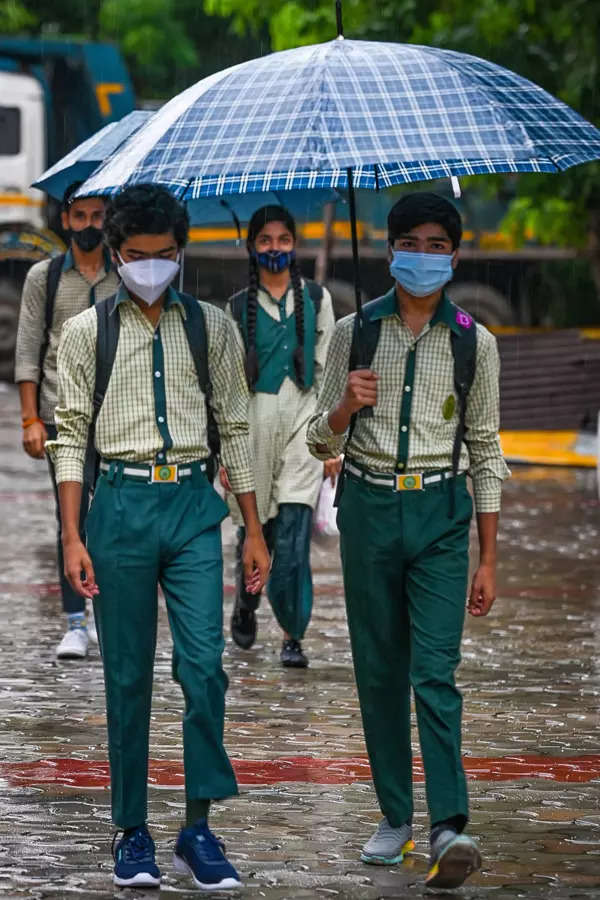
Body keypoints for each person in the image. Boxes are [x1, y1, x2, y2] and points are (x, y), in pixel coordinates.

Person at [47, 184, 270, 891]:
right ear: (115, 254)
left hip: (193, 509)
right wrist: (72, 536)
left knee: (204, 669)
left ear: (183, 251)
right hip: (117, 508)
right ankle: (131, 831)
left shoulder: (210, 328)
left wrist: (256, 532)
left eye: (165, 255)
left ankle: (198, 829)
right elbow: (70, 434)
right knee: (127, 676)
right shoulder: (89, 331)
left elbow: (235, 426)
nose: (151, 267)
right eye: (137, 256)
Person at [307, 192, 510, 889]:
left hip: (443, 516)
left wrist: (489, 556)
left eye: (435, 244)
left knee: (435, 670)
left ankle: (449, 822)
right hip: (367, 506)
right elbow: (315, 436)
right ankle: (395, 815)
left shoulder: (473, 343)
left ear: (454, 255)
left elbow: (485, 450)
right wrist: (345, 405)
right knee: (381, 669)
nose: (421, 257)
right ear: (389, 249)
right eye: (409, 243)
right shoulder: (352, 335)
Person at [220, 205, 338, 668]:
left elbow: (328, 375)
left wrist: (332, 444)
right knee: (256, 530)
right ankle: (246, 602)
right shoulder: (233, 309)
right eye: (265, 240)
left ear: (295, 244)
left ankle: (293, 632)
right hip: (251, 429)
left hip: (304, 429)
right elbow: (226, 388)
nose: (275, 249)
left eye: (283, 240)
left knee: (292, 537)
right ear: (252, 246)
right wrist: (224, 458)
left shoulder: (318, 299)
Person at [15, 182, 118, 659]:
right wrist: (29, 419)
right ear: (65, 221)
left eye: (99, 216)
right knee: (70, 517)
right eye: (81, 216)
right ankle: (75, 621)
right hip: (62, 416)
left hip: (118, 416)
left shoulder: (126, 275)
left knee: (115, 516)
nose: (90, 225)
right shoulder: (45, 277)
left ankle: (109, 612)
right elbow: (28, 348)